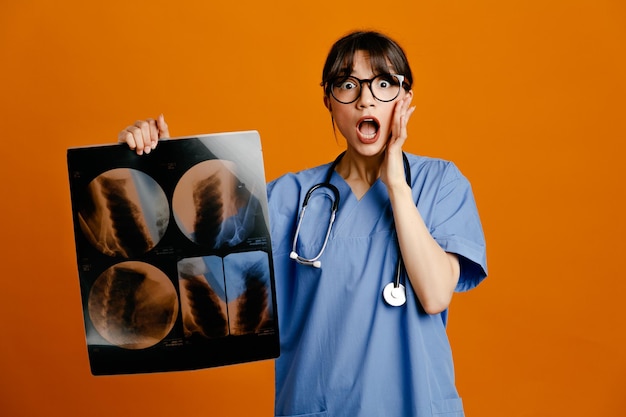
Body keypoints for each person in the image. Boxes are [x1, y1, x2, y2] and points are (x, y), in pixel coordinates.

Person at [119, 30, 487, 417]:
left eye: (383, 84)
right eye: (348, 85)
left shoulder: (440, 183)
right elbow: (206, 285)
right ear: (328, 99)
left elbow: (435, 295)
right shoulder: (286, 198)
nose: (366, 99)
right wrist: (155, 168)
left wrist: (396, 184)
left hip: (416, 404)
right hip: (318, 404)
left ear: (406, 99)